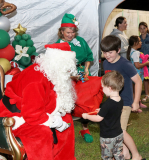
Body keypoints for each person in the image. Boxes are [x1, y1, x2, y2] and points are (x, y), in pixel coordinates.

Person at [0, 42, 78, 160]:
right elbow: (32, 114)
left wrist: (58, 114)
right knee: (41, 133)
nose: (69, 72)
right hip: (14, 117)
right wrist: (53, 120)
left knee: (67, 119)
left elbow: (46, 97)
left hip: (32, 110)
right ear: (58, 64)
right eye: (67, 68)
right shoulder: (36, 80)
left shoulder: (49, 72)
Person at [101, 35, 145, 160]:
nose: (107, 55)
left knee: (120, 131)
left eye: (110, 52)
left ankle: (137, 155)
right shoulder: (105, 63)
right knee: (115, 130)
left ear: (118, 50)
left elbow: (138, 81)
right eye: (104, 52)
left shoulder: (125, 64)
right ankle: (125, 154)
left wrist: (136, 101)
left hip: (125, 103)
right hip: (112, 102)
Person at [56, 13, 97, 143]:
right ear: (61, 32)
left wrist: (86, 69)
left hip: (81, 74)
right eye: (68, 32)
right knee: (67, 103)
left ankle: (85, 128)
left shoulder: (81, 41)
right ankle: (64, 128)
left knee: (86, 102)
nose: (70, 35)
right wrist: (70, 75)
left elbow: (89, 56)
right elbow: (57, 66)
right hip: (66, 77)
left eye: (73, 32)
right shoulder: (57, 46)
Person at [82, 71, 125, 160]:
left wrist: (87, 116)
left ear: (109, 88)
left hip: (108, 136)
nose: (102, 89)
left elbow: (98, 118)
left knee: (107, 156)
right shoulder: (120, 100)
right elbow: (114, 110)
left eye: (103, 88)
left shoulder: (107, 103)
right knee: (118, 153)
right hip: (118, 134)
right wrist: (103, 111)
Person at [127, 35, 149, 110]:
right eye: (139, 41)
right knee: (137, 90)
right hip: (136, 74)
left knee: (134, 90)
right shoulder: (136, 53)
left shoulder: (131, 51)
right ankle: (135, 105)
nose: (141, 42)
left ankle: (138, 103)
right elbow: (137, 65)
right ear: (135, 43)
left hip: (132, 73)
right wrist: (146, 63)